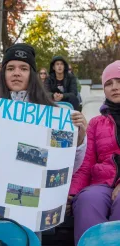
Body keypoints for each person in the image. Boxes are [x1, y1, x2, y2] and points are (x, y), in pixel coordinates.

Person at [0, 43, 87, 172]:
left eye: (23, 68)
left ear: (32, 75)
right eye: (11, 68)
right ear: (3, 73)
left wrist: (79, 140)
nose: (16, 73)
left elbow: (68, 168)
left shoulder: (52, 114)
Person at [68, 60, 120, 245]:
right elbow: (86, 163)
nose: (114, 87)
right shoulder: (97, 123)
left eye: (119, 81)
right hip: (102, 183)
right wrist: (72, 193)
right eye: (108, 83)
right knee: (87, 199)